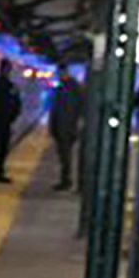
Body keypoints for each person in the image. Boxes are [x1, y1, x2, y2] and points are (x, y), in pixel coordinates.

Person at [50, 62, 84, 191]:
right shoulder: (67, 87)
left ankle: (66, 181)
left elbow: (63, 109)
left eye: (60, 73)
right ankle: (65, 180)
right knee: (64, 156)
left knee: (66, 156)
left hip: (67, 128)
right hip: (63, 127)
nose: (58, 75)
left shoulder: (70, 88)